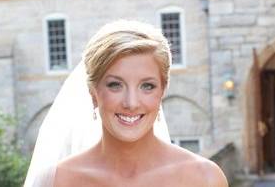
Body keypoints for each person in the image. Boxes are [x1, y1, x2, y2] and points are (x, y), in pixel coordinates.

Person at [25, 20, 228, 187]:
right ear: (93, 92)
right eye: (115, 85)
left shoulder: (205, 179)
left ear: (163, 90)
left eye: (147, 86)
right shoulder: (54, 181)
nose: (131, 103)